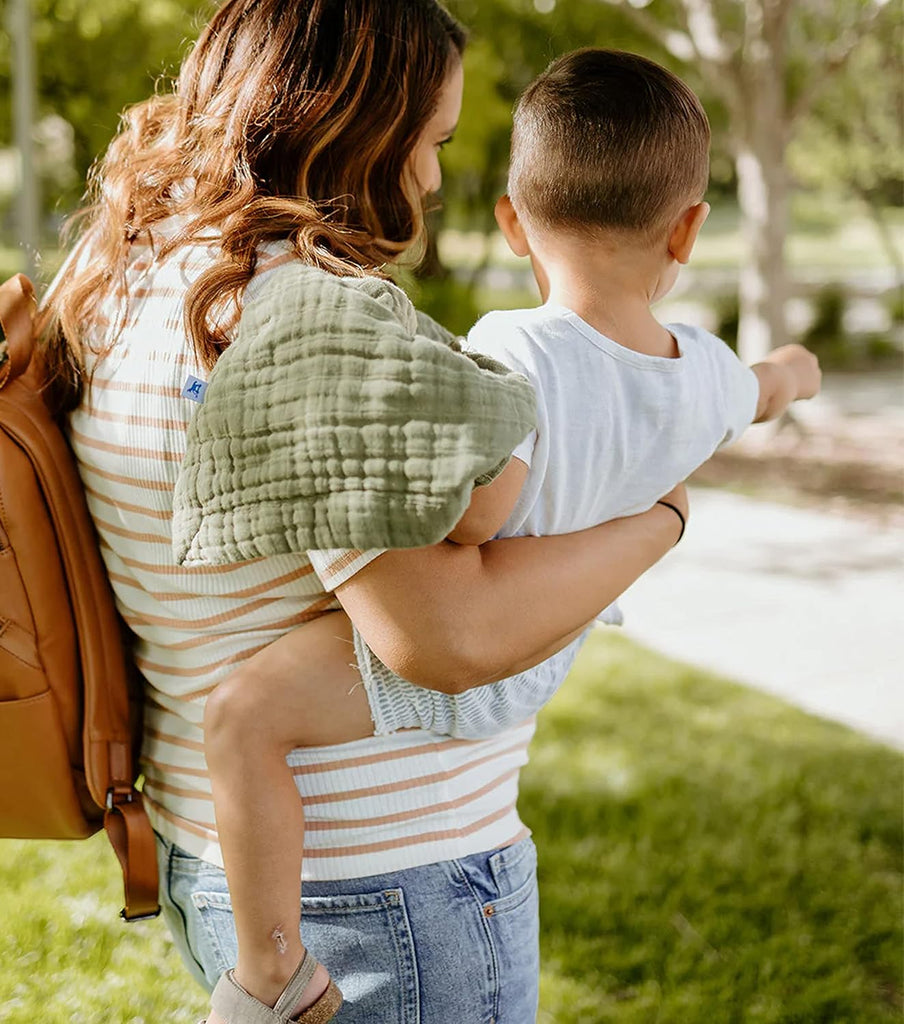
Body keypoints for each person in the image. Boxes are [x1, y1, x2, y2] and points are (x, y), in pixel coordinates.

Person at [42, 5, 694, 1022]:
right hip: (385, 882)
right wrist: (659, 520)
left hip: (232, 859)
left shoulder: (135, 275)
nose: (432, 178)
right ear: (355, 122)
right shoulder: (298, 317)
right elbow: (443, 635)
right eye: (429, 140)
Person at [195, 47, 821, 1023]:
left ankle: (272, 973)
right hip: (537, 663)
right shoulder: (706, 374)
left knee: (242, 718)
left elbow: (482, 511)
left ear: (511, 220)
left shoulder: (513, 349)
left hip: (448, 665)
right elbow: (773, 386)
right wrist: (794, 367)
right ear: (689, 229)